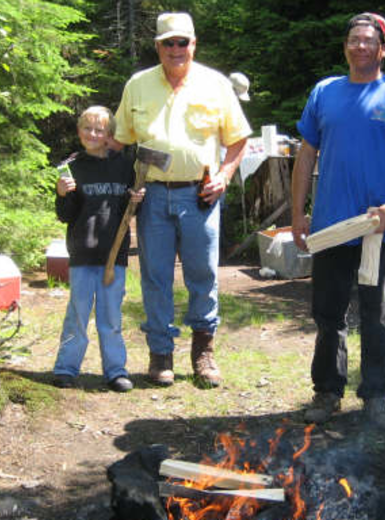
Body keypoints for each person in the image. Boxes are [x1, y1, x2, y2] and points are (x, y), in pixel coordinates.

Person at [290, 13, 385, 429]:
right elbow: (305, 156)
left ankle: (375, 393)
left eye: (369, 41)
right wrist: (298, 213)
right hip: (332, 226)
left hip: (380, 226)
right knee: (328, 315)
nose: (360, 47)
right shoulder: (325, 92)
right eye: (354, 40)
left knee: (377, 314)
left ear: (383, 48)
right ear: (346, 47)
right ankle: (327, 391)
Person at [113, 12, 252, 387]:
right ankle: (161, 355)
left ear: (194, 44)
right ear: (157, 46)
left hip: (200, 195)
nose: (176, 49)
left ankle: (203, 353)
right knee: (155, 278)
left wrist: (224, 175)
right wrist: (83, 167)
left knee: (203, 275)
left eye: (182, 42)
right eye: (168, 43)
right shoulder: (138, 85)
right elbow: (118, 139)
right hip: (152, 196)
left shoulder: (216, 84)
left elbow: (238, 139)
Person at [52, 106, 145, 393]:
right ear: (79, 130)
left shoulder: (124, 165)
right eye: (87, 128)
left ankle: (115, 370)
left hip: (113, 254)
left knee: (111, 316)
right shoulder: (72, 166)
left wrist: (137, 197)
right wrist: (61, 193)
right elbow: (65, 215)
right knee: (77, 314)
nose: (93, 134)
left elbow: (132, 206)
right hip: (82, 253)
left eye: (99, 130)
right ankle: (66, 368)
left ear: (109, 134)